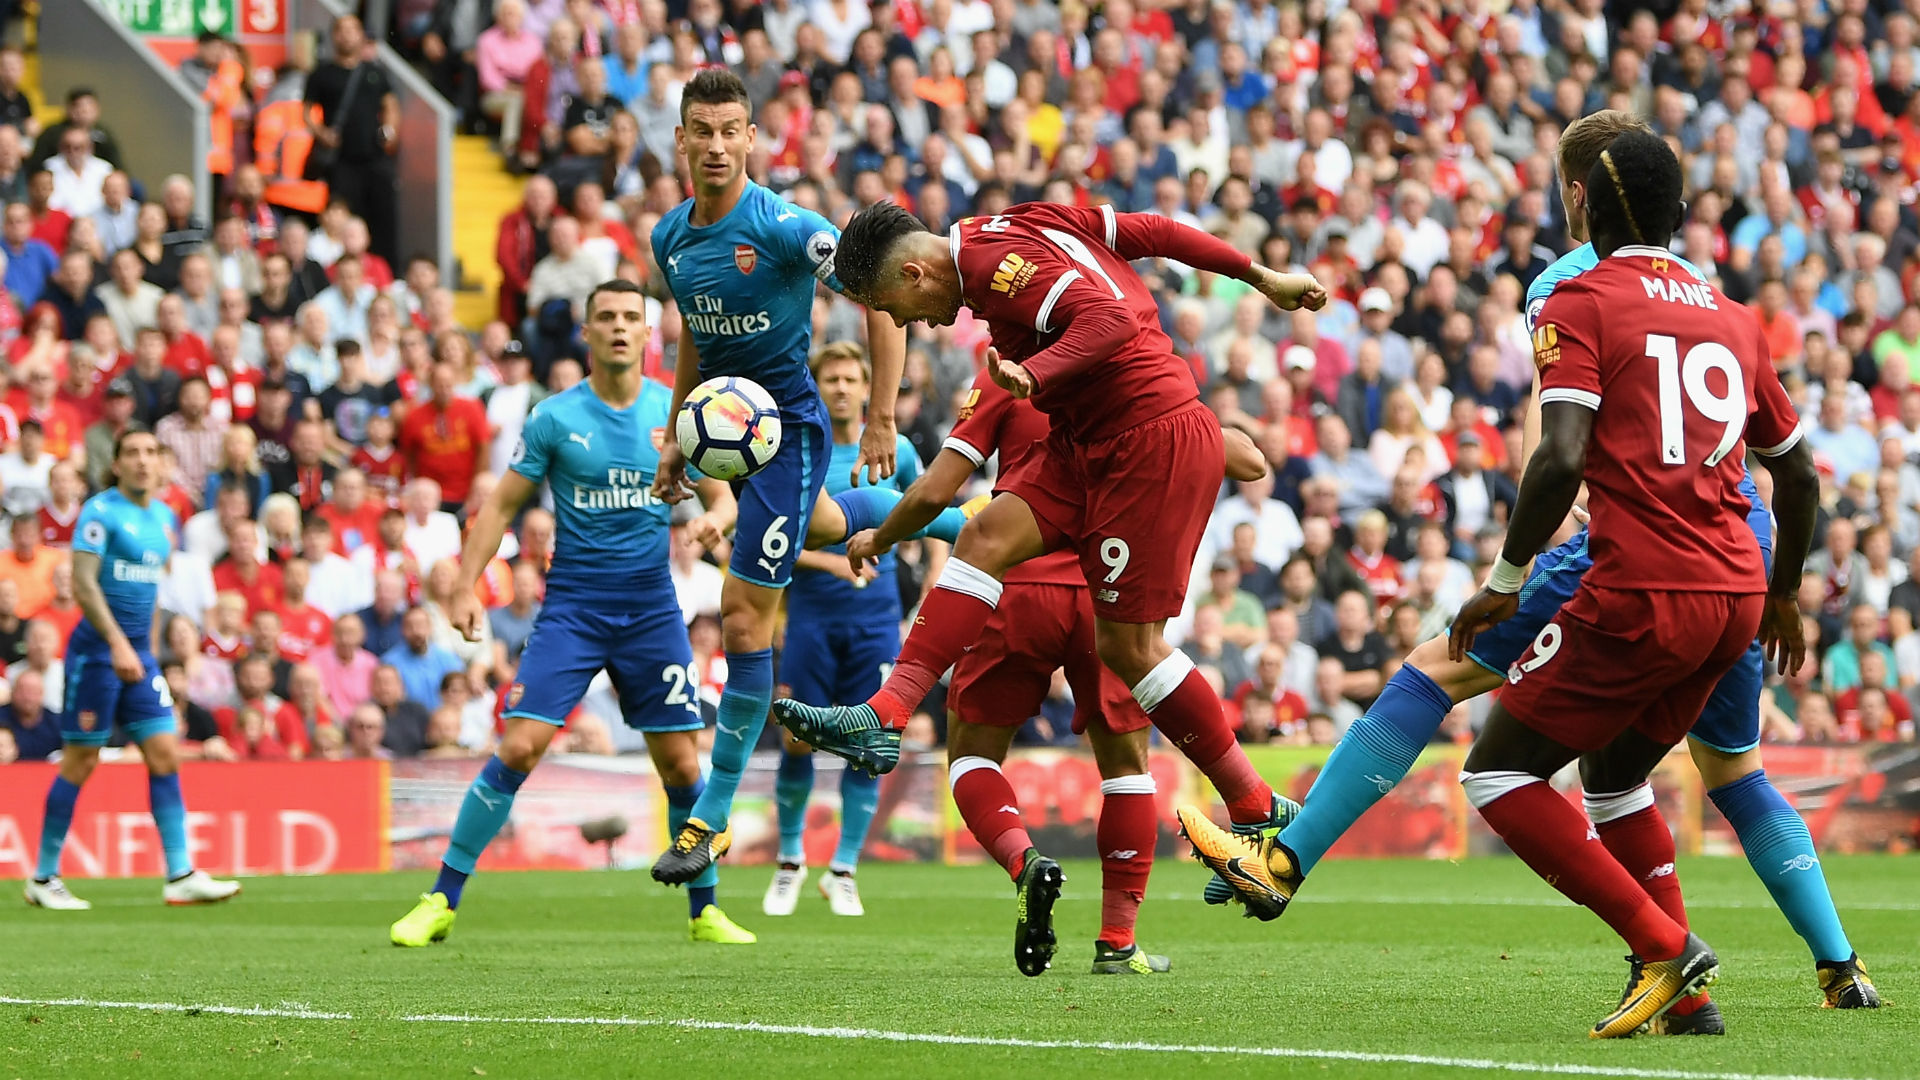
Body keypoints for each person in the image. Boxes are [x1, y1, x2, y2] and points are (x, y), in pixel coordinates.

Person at [1179, 108, 1880, 1014]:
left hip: (1632, 556)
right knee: (1703, 770)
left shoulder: (1569, 287)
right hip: (1741, 564)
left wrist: (1509, 570)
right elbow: (1796, 468)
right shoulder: (1723, 306)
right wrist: (1784, 590)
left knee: (1445, 683)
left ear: (1576, 196)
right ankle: (1831, 968)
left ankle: (1285, 856)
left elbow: (1555, 452)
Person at [774, 199, 1326, 894]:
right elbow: (1150, 232)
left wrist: (1037, 376)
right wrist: (1257, 275)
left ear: (915, 273)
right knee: (984, 537)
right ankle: (884, 715)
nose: (914, 324)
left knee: (1131, 649)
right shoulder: (1016, 220)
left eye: (899, 309)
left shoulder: (989, 263)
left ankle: (1254, 805)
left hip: (1142, 436)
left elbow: (1110, 319)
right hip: (1087, 437)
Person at [645, 70, 963, 886]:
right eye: (702, 131)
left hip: (785, 430)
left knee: (744, 619)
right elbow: (694, 335)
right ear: (680, 140)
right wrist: (681, 433)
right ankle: (970, 521)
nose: (716, 145)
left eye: (731, 130)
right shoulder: (671, 238)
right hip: (729, 440)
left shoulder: (789, 227)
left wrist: (885, 414)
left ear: (753, 138)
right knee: (828, 525)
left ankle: (707, 822)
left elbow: (885, 289)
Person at [389, 279, 759, 949]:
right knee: (519, 747)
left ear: (647, 334)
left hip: (651, 612)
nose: (619, 327)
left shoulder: (676, 413)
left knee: (680, 766)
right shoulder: (555, 418)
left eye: (630, 318)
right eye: (606, 317)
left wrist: (715, 523)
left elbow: (723, 495)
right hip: (574, 610)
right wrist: (466, 585)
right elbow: (500, 505)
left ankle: (705, 912)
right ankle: (439, 899)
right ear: (586, 334)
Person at [23, 428, 241, 910]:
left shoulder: (164, 518)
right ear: (117, 463)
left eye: (150, 453)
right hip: (97, 655)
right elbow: (83, 584)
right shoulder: (99, 512)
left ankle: (180, 873)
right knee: (81, 761)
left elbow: (152, 594)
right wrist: (119, 644)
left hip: (139, 655)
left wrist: (148, 648)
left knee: (164, 751)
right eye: (133, 453)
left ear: (161, 463)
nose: (143, 461)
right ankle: (42, 877)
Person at [766, 343, 926, 920]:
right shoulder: (798, 449)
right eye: (829, 377)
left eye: (850, 378)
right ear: (817, 384)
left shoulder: (897, 451)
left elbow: (928, 510)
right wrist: (831, 561)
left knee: (871, 745)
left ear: (867, 387)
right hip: (810, 616)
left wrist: (931, 585)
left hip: (876, 619)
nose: (839, 387)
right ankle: (790, 861)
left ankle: (844, 870)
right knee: (797, 738)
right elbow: (775, 533)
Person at [305, 16, 400, 265]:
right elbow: (306, 112)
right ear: (334, 36)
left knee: (384, 218)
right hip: (342, 160)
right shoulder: (322, 74)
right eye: (341, 30)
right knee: (342, 219)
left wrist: (389, 131)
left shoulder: (374, 72)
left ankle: (384, 270)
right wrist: (322, 133)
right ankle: (344, 268)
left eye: (353, 30)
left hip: (374, 157)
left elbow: (390, 104)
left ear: (361, 35)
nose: (347, 36)